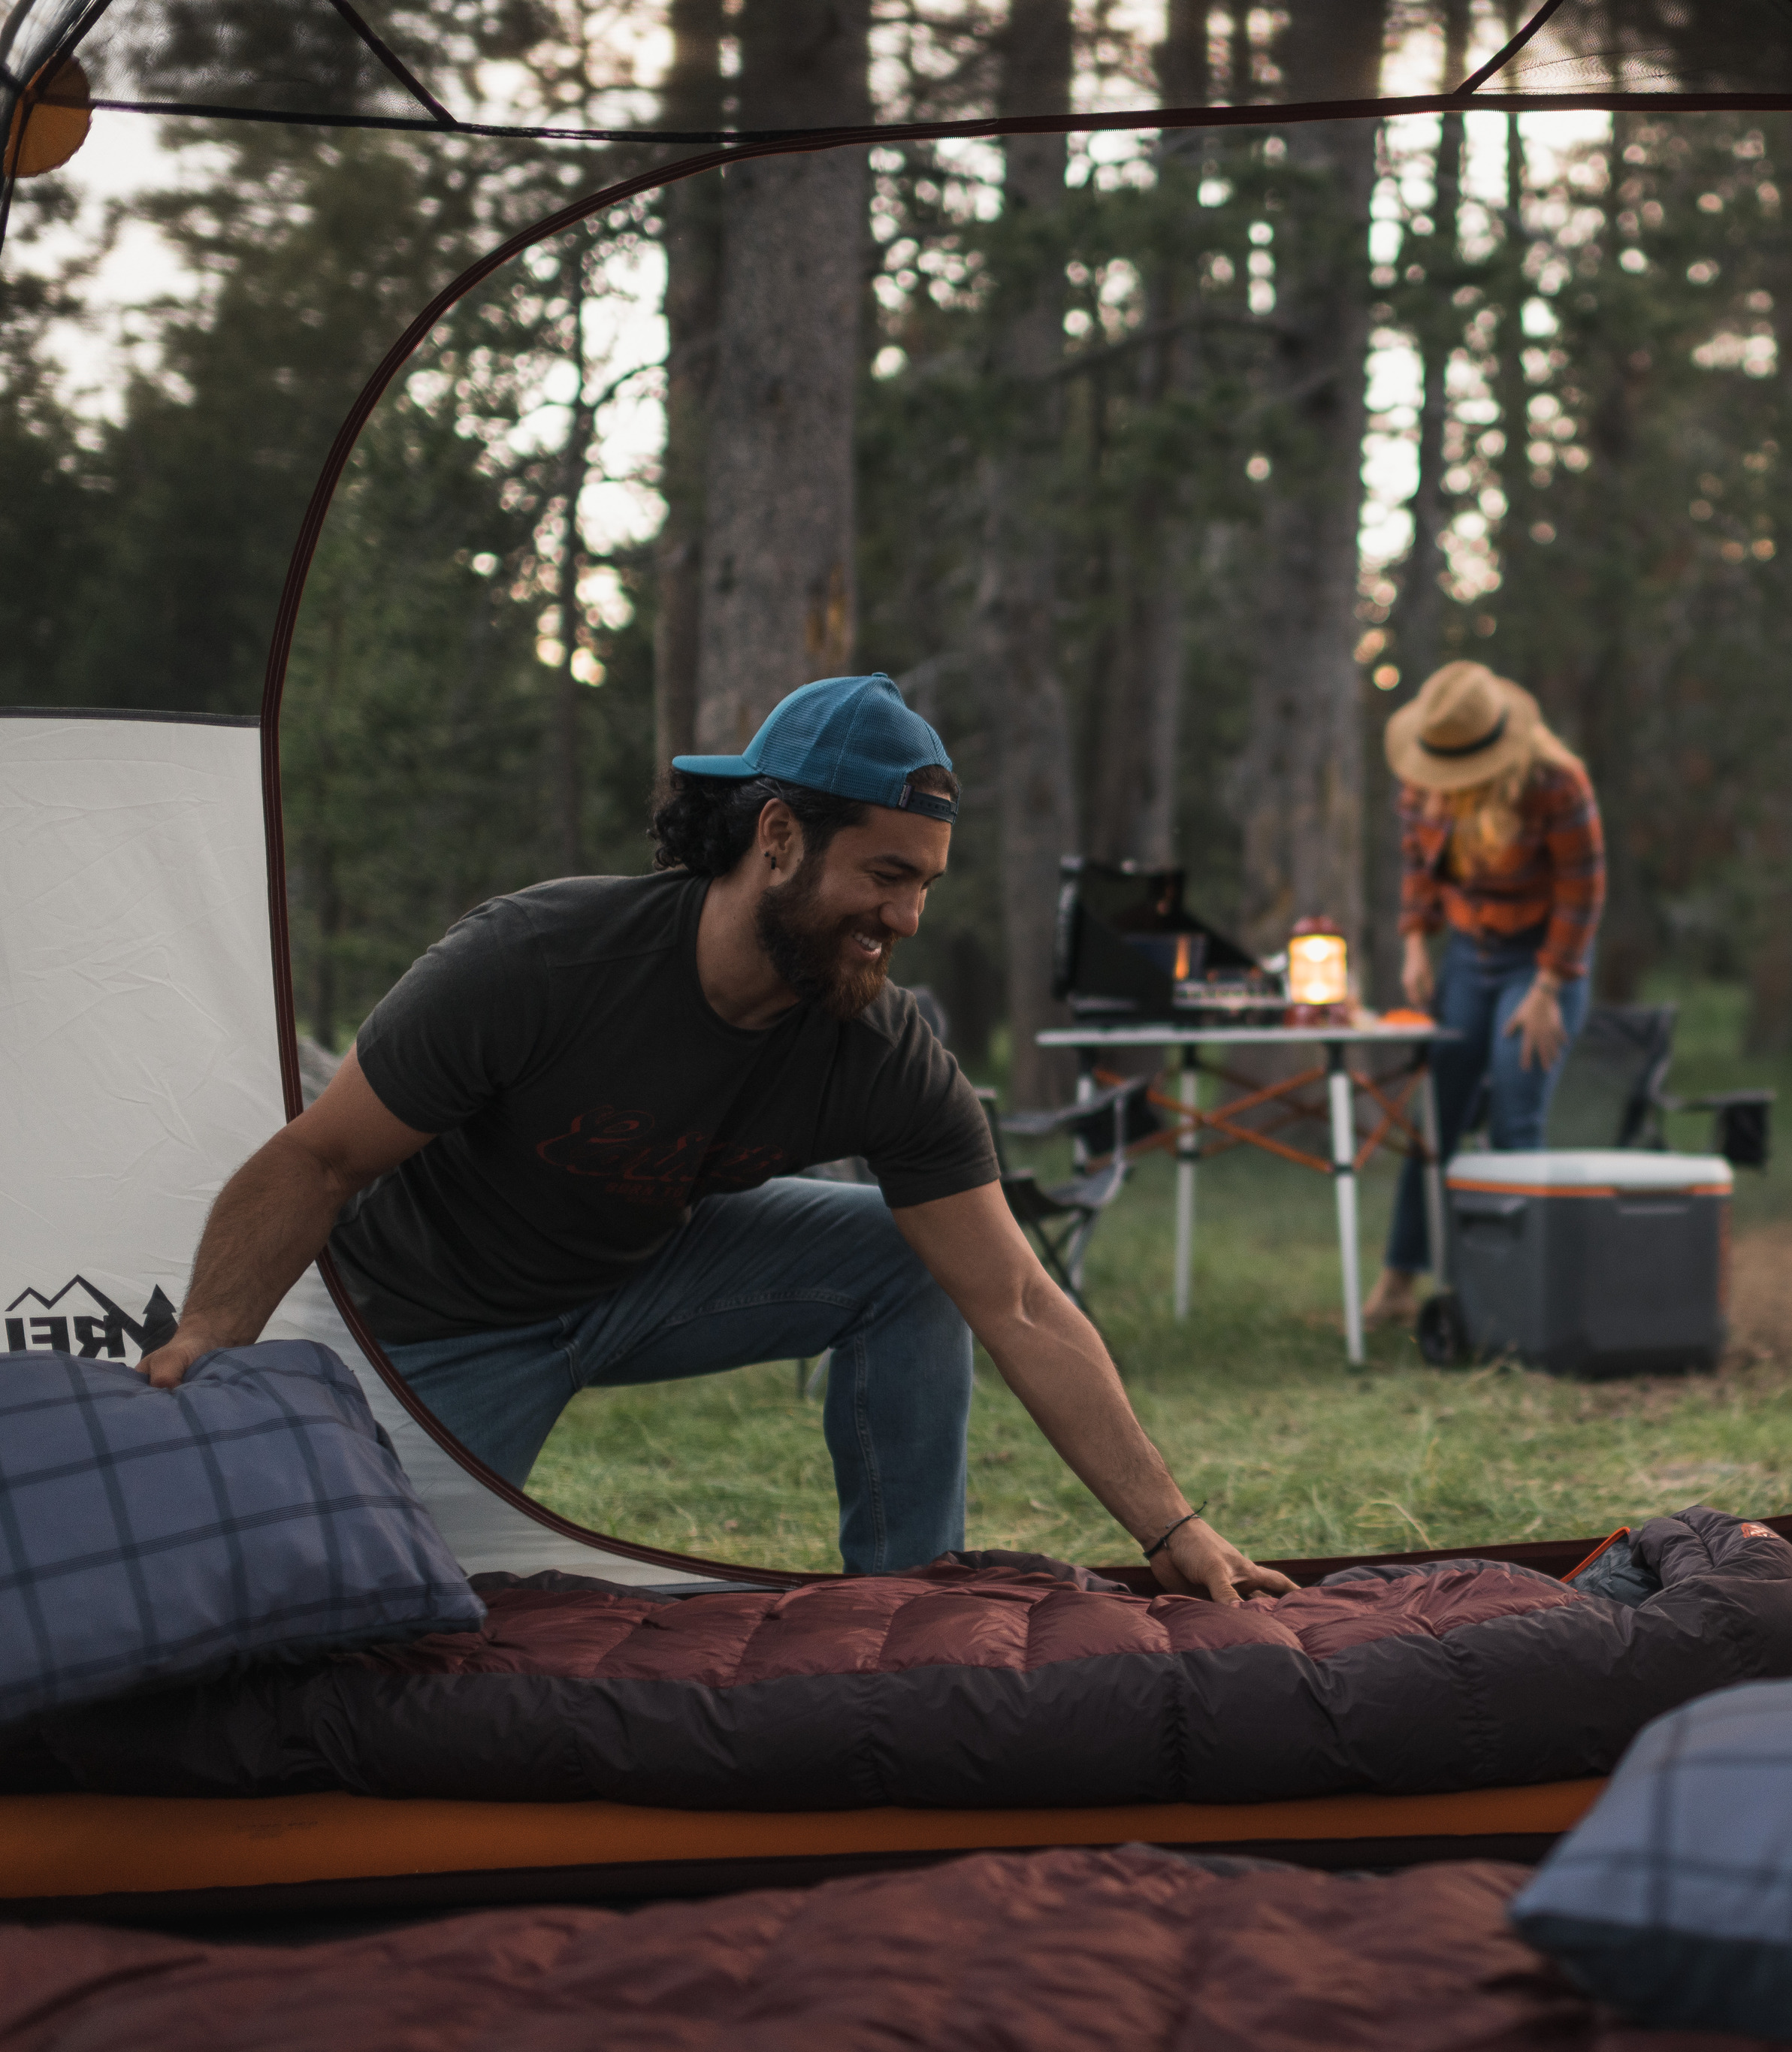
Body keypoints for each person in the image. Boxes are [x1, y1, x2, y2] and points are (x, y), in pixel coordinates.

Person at [136, 673, 1291, 1602]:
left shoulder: (879, 1050)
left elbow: (1020, 1301)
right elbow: (317, 1158)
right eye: (886, 875)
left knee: (909, 1258)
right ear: (779, 836)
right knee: (364, 1621)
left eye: (927, 884)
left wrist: (1171, 1523)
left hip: (642, 1276)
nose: (908, 918)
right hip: (434, 1329)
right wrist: (207, 1340)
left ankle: (907, 1606)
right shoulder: (539, 961)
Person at [1363, 660, 1604, 1328]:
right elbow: (1417, 864)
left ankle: (1518, 1296)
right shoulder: (1423, 771)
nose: (1433, 792)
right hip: (1469, 956)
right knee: (1435, 1120)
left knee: (1514, 1116)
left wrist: (1550, 987)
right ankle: (1398, 1283)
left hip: (1543, 958)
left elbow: (1583, 892)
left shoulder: (1557, 785)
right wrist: (1416, 940)